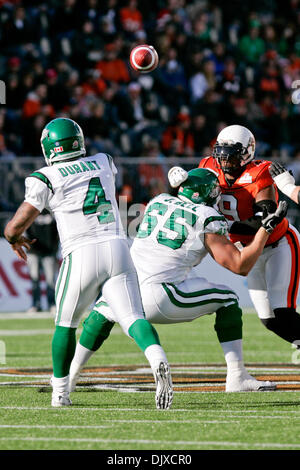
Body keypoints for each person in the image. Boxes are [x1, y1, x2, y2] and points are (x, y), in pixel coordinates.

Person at [4, 117, 173, 410]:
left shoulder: (46, 176)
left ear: (49, 148)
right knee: (134, 318)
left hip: (81, 253)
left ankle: (60, 394)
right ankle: (157, 357)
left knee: (65, 324)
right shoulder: (103, 161)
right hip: (119, 247)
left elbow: (16, 224)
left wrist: (12, 237)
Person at [68, 167, 287, 394]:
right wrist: (264, 230)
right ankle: (237, 376)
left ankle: (69, 375)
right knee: (229, 299)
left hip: (125, 289)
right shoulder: (207, 217)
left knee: (102, 312)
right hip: (160, 296)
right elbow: (240, 265)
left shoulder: (158, 201)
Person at [199, 124, 300, 348]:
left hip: (278, 244)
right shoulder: (207, 167)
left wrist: (221, 225)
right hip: (250, 250)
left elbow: (262, 220)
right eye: (221, 155)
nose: (224, 162)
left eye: (231, 155)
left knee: (283, 313)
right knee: (269, 320)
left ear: (247, 152)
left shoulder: (259, 172)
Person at [25, 209, 59, 313]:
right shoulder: (30, 210)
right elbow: (25, 230)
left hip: (49, 251)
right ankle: (36, 304)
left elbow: (59, 230)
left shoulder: (53, 210)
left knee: (50, 281)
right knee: (34, 279)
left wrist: (54, 247)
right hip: (33, 252)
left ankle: (52, 304)